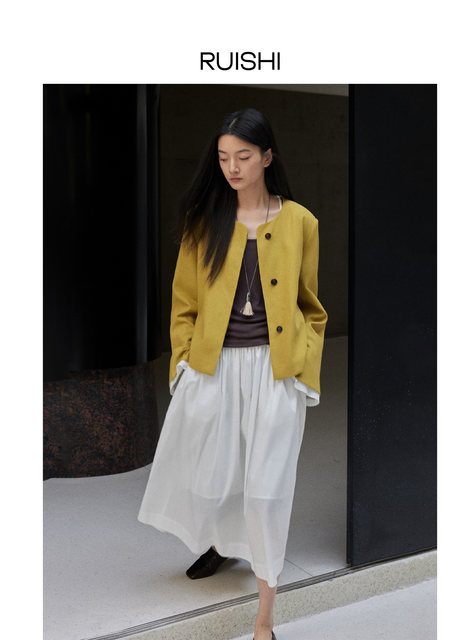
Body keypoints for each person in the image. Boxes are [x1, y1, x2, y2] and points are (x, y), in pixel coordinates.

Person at [138, 107, 328, 640]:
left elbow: (311, 307)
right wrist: (182, 364)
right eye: (223, 158)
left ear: (267, 157)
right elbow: (183, 304)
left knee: (268, 490)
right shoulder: (204, 223)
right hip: (214, 368)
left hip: (275, 371)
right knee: (213, 475)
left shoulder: (301, 222)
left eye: (243, 156)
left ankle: (264, 619)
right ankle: (222, 544)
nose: (232, 168)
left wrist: (303, 369)